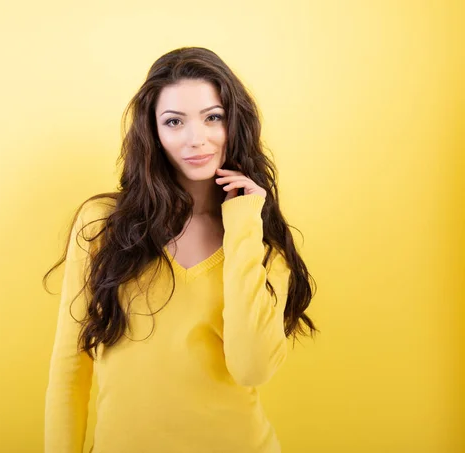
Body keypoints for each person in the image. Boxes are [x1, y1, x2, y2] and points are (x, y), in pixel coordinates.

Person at [43, 46, 318, 453]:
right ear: (153, 132)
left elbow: (251, 368)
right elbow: (70, 369)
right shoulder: (102, 225)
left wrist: (243, 222)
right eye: (174, 122)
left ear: (234, 122)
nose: (197, 139)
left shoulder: (263, 247)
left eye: (213, 117)